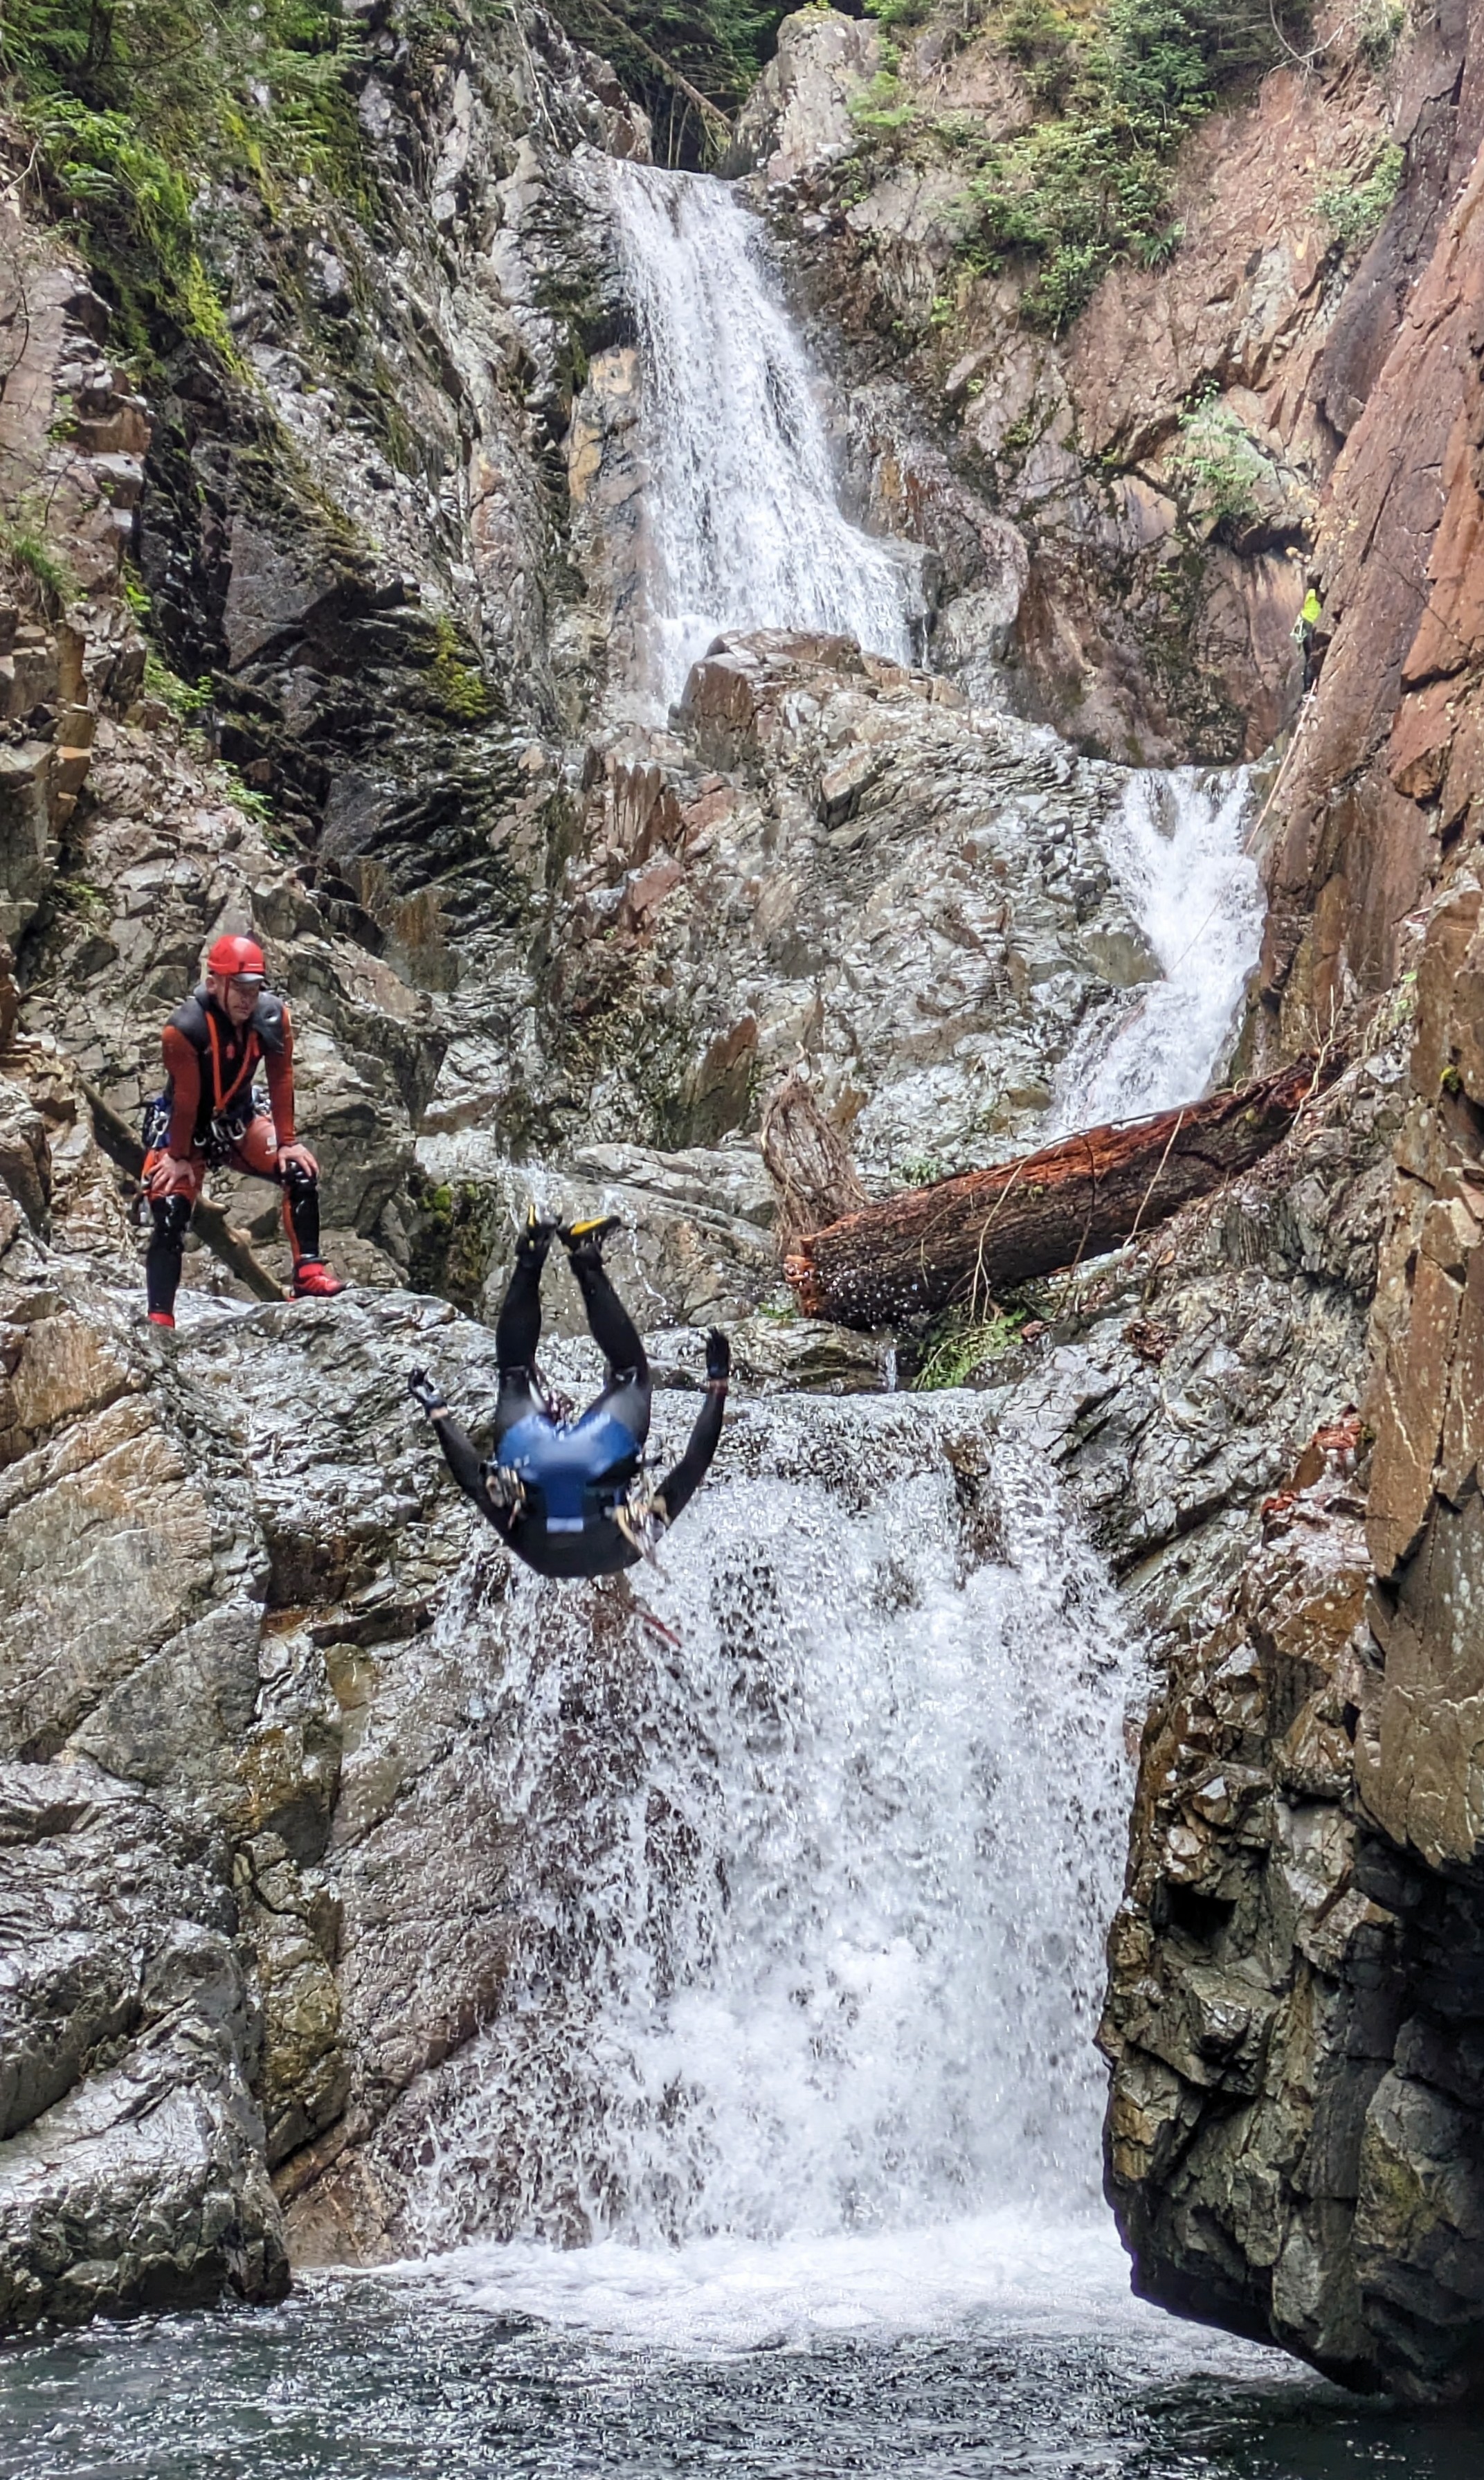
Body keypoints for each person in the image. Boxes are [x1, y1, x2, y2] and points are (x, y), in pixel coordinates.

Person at [407, 1212, 730, 1579]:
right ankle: (533, 1249)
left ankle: (585, 1255)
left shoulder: (628, 1551)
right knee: (514, 1372)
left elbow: (694, 1464)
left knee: (629, 1374)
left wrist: (718, 1385)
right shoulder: (538, 1557)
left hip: (598, 1459)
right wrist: (437, 1411)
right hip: (532, 1457)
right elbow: (473, 1481)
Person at [141, 933, 345, 1327]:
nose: (247, 999)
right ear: (213, 984)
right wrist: (178, 1157)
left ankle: (308, 1273)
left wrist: (287, 1142)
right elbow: (186, 1100)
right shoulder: (184, 1029)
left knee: (300, 1170)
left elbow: (281, 1076)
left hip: (239, 1121)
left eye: (254, 990)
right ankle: (160, 1317)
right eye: (238, 989)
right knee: (170, 1209)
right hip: (185, 1131)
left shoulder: (272, 1017)